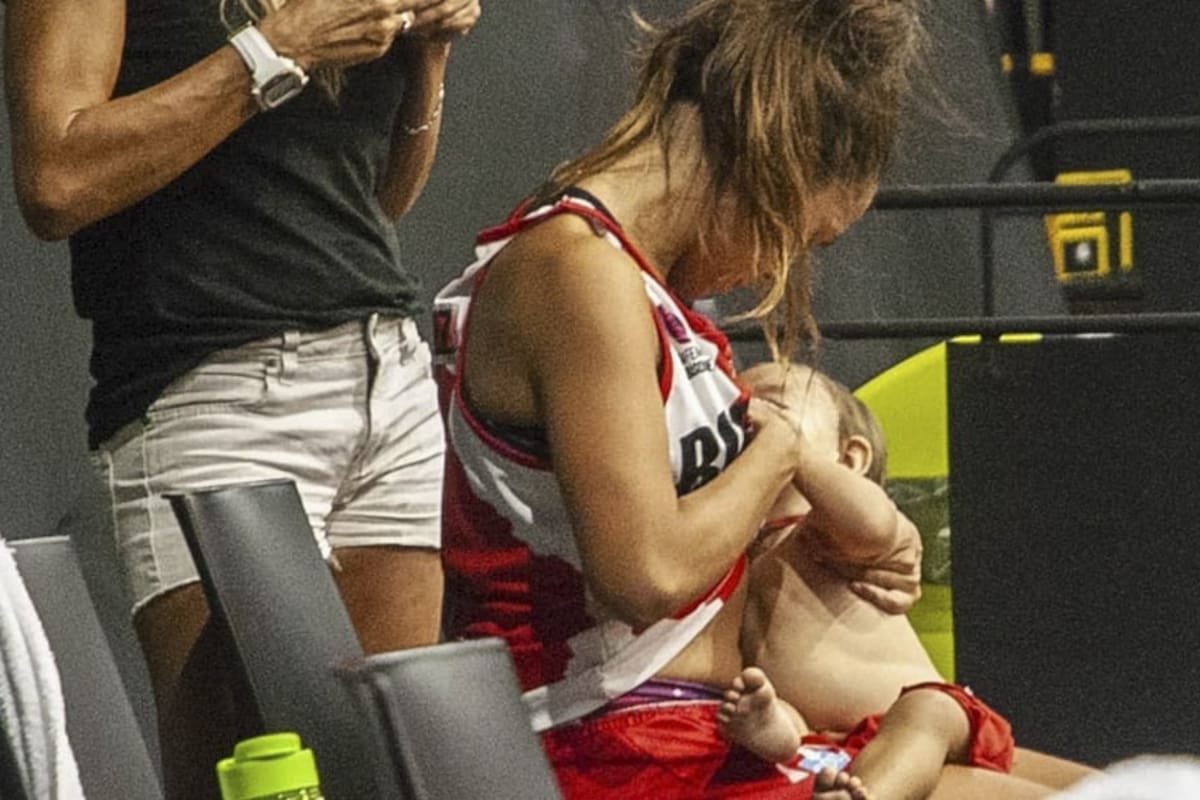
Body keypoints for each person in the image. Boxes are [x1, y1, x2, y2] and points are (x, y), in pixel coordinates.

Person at [434, 0, 929, 796]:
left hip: (691, 738)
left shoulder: (642, 289)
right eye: (805, 239)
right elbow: (648, 575)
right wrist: (778, 451)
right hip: (605, 749)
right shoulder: (576, 271)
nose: (776, 271)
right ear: (778, 158)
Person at [4, 0, 479, 797]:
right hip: (218, 393)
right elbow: (55, 179)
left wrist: (429, 57)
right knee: (251, 780)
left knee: (389, 773)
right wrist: (272, 52)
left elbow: (376, 202)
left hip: (383, 380)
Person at [719, 361, 1098, 799]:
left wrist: (790, 449)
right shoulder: (731, 551)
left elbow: (872, 526)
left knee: (925, 709)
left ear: (849, 458)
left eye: (774, 402)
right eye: (734, 402)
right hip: (828, 747)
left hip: (924, 720)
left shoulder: (823, 534)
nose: (748, 410)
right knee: (768, 711)